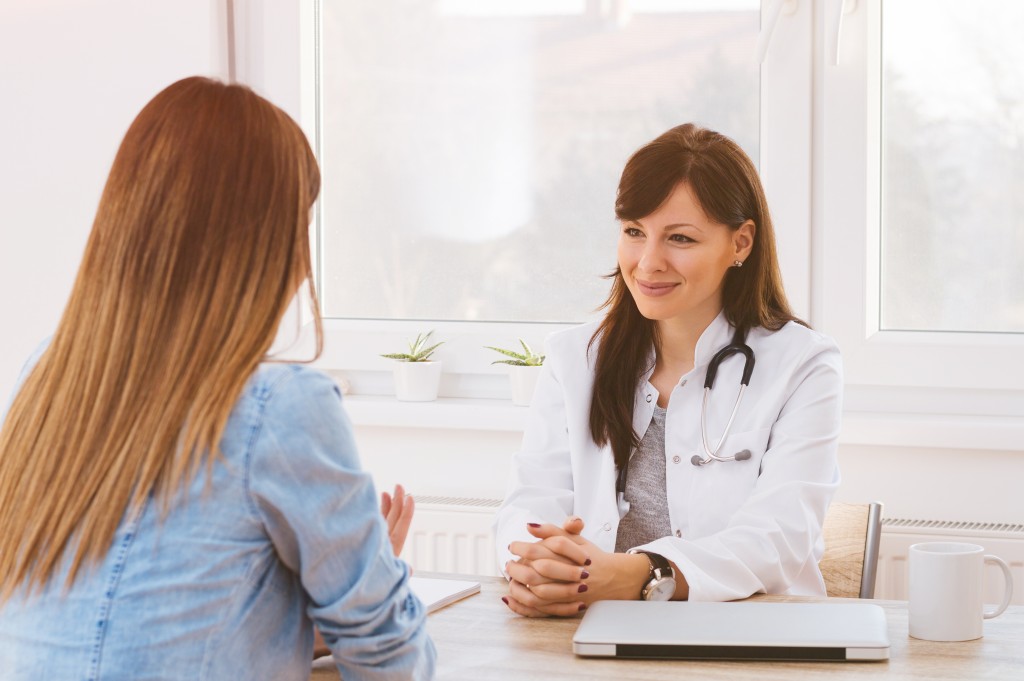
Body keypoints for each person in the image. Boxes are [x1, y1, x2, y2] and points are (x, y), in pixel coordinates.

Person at [0, 77, 435, 680]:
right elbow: (391, 660)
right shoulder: (277, 407)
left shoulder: (46, 378)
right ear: (263, 246)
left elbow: (144, 621)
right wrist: (367, 585)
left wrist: (289, 621)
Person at [494, 123, 842, 616]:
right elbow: (530, 501)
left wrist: (640, 574)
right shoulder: (577, 358)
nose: (648, 262)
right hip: (589, 632)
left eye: (679, 238)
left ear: (740, 244)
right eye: (634, 232)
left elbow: (778, 538)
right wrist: (536, 563)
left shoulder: (804, 366)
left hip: (750, 637)